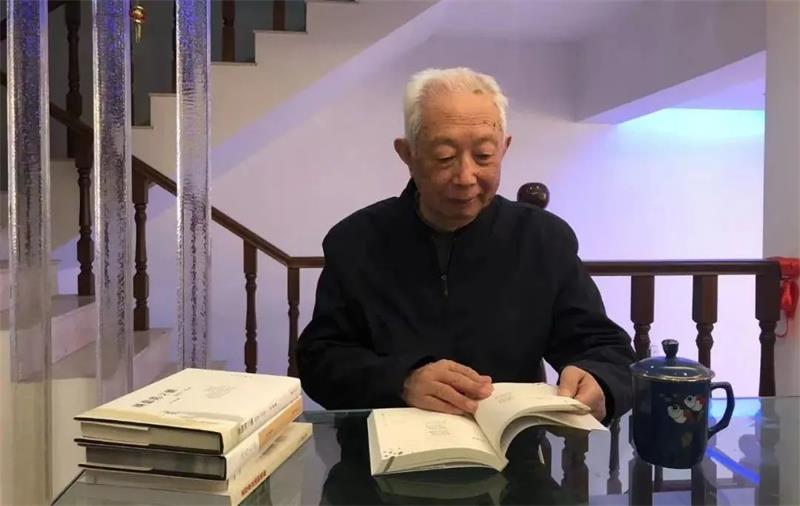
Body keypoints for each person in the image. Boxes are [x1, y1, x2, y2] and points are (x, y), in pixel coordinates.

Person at [296, 67, 635, 423]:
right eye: (445, 157)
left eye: (484, 155)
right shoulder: (356, 241)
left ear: (504, 149)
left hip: (511, 448)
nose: (465, 177)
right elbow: (320, 359)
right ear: (408, 154)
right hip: (381, 448)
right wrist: (401, 380)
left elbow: (605, 347)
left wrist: (599, 379)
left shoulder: (543, 240)